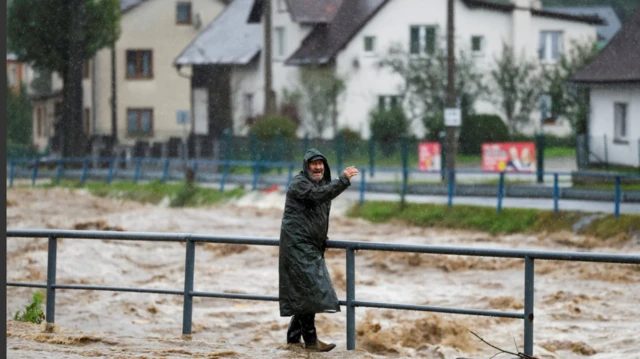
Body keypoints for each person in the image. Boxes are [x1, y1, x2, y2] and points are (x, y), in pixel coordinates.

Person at [279, 148, 358, 352]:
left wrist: (322, 239)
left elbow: (315, 214)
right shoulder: (300, 184)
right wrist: (343, 180)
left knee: (307, 293)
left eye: (320, 164)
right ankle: (311, 341)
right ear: (306, 166)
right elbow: (317, 197)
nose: (318, 167)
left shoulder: (319, 184)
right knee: (310, 292)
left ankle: (294, 340)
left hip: (309, 247)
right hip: (298, 247)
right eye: (313, 164)